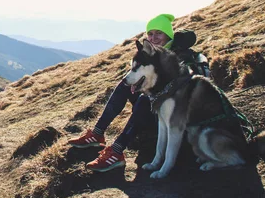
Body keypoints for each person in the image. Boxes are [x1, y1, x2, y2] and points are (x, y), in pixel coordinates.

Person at [68, 13, 210, 172]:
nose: (153, 38)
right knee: (124, 86)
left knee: (144, 100)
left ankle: (116, 151)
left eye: (159, 33)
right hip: (158, 112)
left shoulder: (178, 57)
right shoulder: (152, 54)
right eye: (150, 33)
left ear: (168, 35)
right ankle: (97, 133)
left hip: (175, 117)